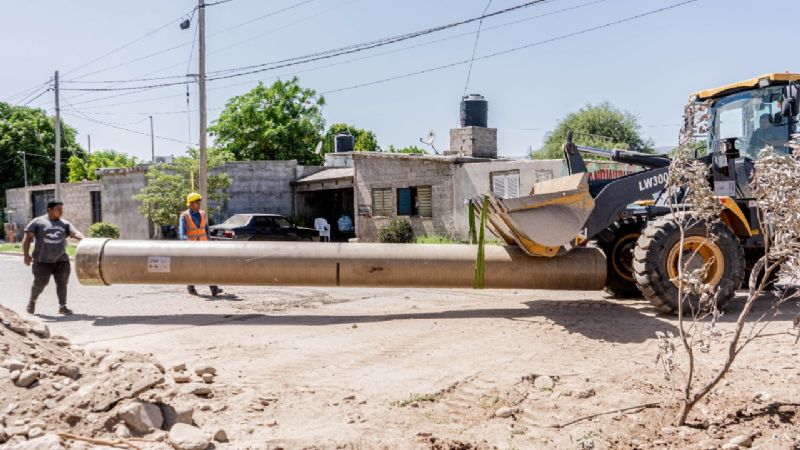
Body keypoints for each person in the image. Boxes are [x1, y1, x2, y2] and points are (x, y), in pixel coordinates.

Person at [22, 200, 84, 315]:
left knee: (62, 283)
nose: (61, 211)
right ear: (49, 210)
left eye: (62, 209)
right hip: (42, 261)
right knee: (40, 284)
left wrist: (85, 240)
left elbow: (75, 233)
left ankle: (63, 306)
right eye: (58, 209)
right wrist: (26, 255)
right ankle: (32, 301)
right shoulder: (38, 222)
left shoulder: (64, 223)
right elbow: (27, 238)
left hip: (61, 260)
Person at [179, 192, 222, 297]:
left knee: (208, 266)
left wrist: (209, 241)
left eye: (199, 202)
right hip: (191, 247)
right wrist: (187, 242)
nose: (199, 204)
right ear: (191, 203)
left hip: (204, 245)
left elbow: (206, 229)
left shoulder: (202, 214)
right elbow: (182, 233)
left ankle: (214, 288)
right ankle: (191, 288)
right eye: (197, 202)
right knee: (192, 268)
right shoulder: (185, 216)